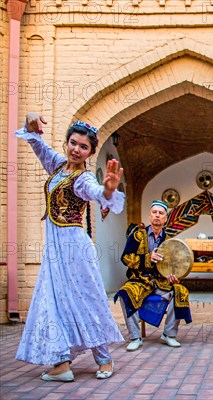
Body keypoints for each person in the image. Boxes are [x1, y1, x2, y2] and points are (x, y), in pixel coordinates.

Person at [15, 113, 125, 382]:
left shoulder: (82, 179)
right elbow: (39, 146)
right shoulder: (56, 166)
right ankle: (61, 362)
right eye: (73, 143)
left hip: (74, 247)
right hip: (54, 247)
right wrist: (31, 127)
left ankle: (104, 358)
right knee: (52, 300)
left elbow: (96, 192)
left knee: (85, 298)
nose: (77, 149)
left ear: (90, 152)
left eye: (84, 147)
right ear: (66, 143)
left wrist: (108, 192)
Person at [114, 200, 192, 351]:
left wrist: (174, 276)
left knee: (180, 291)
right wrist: (147, 258)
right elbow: (126, 258)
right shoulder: (137, 235)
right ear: (149, 216)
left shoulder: (170, 240)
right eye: (154, 212)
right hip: (140, 279)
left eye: (161, 213)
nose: (157, 216)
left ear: (165, 218)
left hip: (161, 281)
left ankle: (169, 335)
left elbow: (174, 264)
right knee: (125, 293)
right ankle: (135, 337)